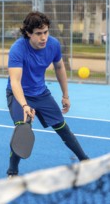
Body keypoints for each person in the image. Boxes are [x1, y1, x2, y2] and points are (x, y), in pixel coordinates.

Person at [6, 11, 89, 177]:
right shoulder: (17, 49)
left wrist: (65, 95)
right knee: (22, 131)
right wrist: (24, 105)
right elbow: (15, 82)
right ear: (28, 33)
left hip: (41, 93)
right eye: (38, 34)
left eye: (45, 32)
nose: (43, 37)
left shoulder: (53, 45)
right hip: (19, 95)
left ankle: (86, 162)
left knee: (63, 128)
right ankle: (12, 172)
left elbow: (59, 67)